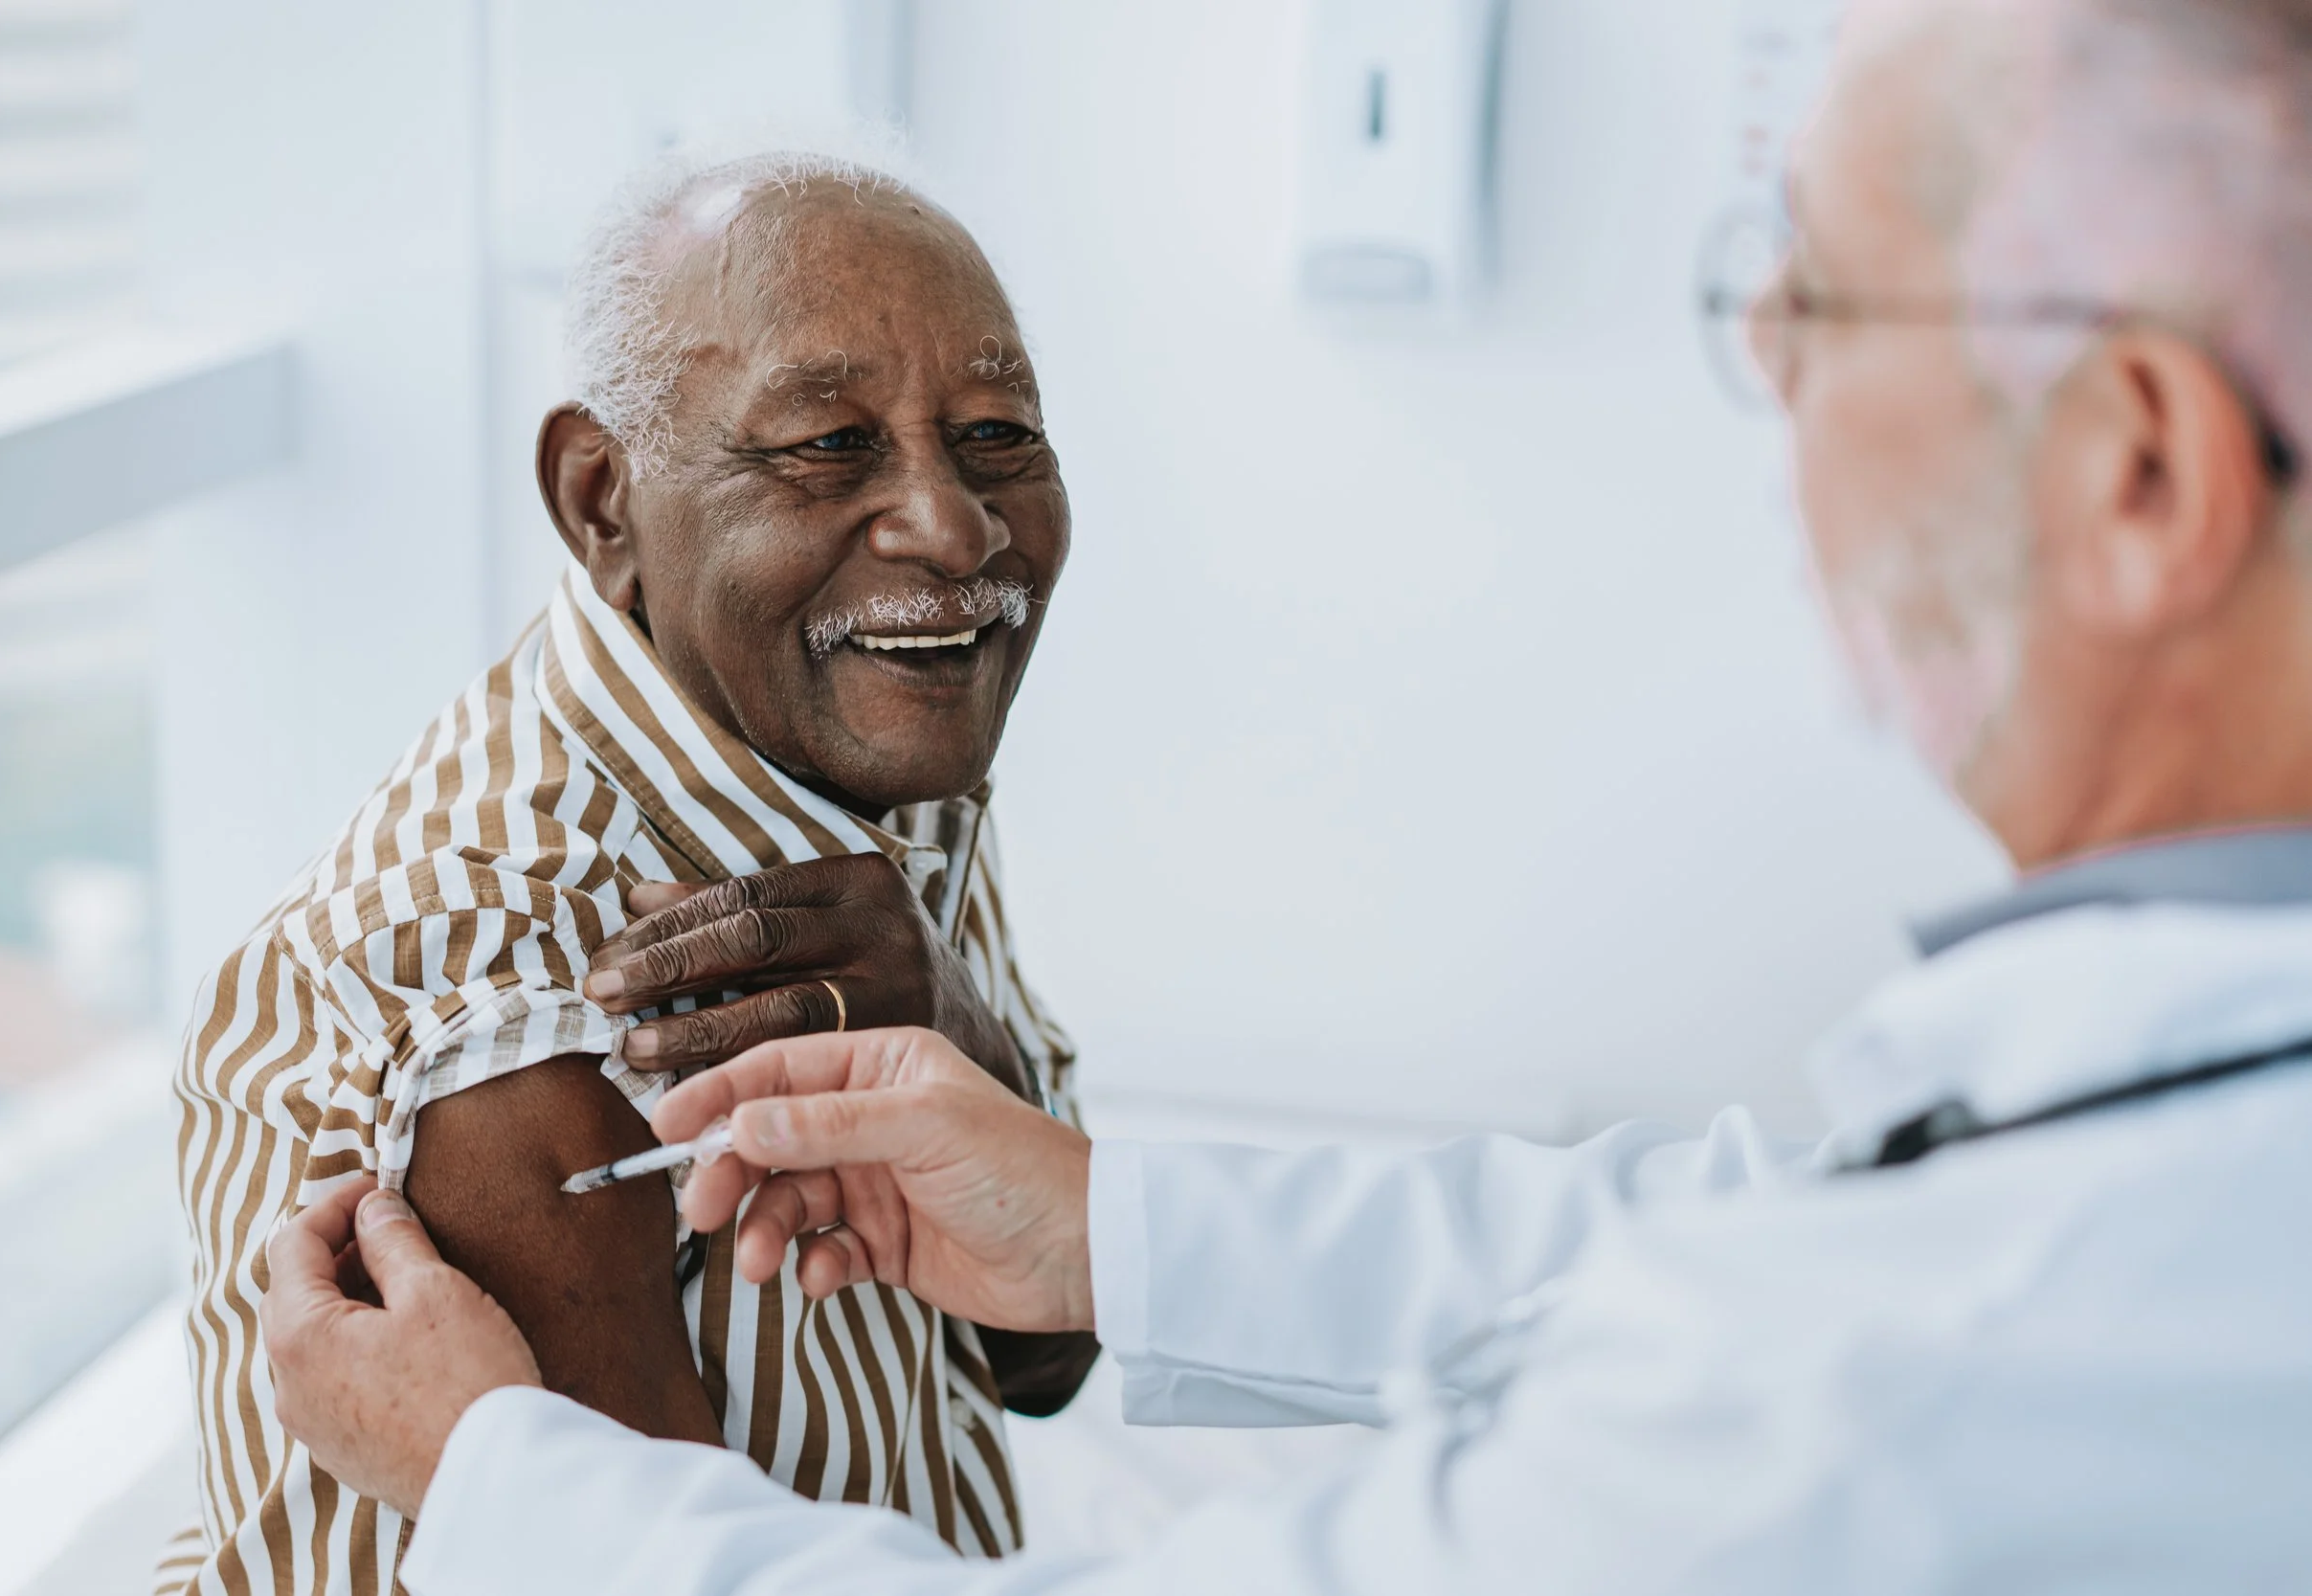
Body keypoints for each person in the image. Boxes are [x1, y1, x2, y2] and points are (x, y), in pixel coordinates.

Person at [259, 0, 2312, 1589]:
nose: (1764, 376)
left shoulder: (1942, 1361)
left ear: (2138, 469)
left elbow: (1814, 1315)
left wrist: (492, 1475)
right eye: (822, 443)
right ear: (599, 504)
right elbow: (1749, 1213)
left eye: (1810, 306)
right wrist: (1091, 1224)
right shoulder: (492, 936)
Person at [161, 150, 1099, 1596]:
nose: (953, 526)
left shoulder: (863, 746)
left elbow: (1051, 1350)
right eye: (828, 444)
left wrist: (967, 1050)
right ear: (603, 499)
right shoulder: (512, 969)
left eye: (996, 431)